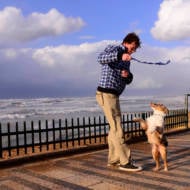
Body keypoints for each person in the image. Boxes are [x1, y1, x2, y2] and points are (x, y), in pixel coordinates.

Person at [96, 32, 142, 172]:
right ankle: (125, 161)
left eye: (135, 49)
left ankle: (114, 160)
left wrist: (127, 76)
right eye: (132, 47)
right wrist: (120, 56)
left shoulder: (127, 59)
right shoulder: (114, 48)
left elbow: (128, 80)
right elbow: (100, 58)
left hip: (114, 95)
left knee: (113, 130)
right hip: (106, 92)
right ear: (127, 42)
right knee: (117, 128)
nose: (132, 51)